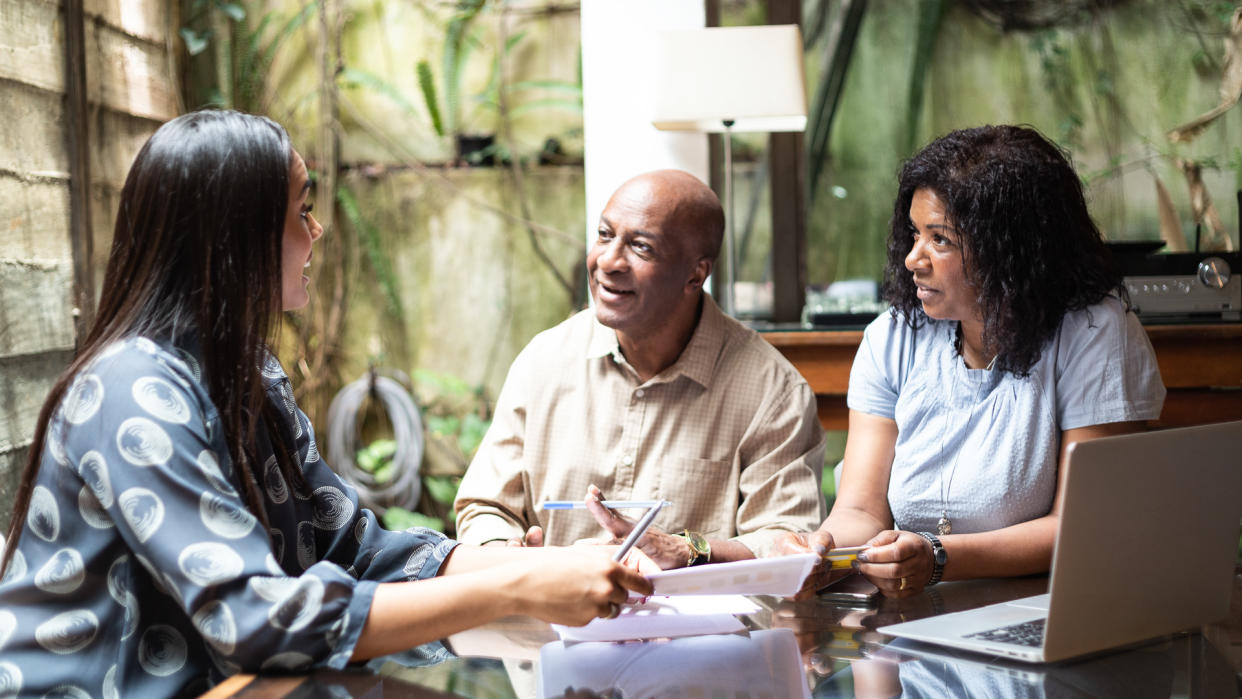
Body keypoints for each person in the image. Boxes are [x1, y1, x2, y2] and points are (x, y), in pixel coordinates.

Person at [0, 110, 653, 697]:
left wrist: (544, 565)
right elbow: (252, 618)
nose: (318, 230)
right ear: (239, 236)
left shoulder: (249, 371)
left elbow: (352, 548)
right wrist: (517, 586)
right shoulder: (132, 393)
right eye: (301, 210)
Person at [781, 125, 1165, 598]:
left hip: (1047, 613)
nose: (912, 259)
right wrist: (822, 550)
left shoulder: (1093, 332)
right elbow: (861, 510)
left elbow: (1081, 526)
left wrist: (939, 557)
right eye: (913, 234)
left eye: (939, 240)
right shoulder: (893, 337)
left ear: (1013, 250)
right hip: (915, 615)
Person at [454, 169, 826, 569]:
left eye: (641, 247)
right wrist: (506, 553)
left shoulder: (772, 391)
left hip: (701, 629)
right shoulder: (543, 361)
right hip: (553, 622)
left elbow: (785, 541)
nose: (609, 261)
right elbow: (485, 506)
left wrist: (689, 551)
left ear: (696, 274)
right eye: (604, 234)